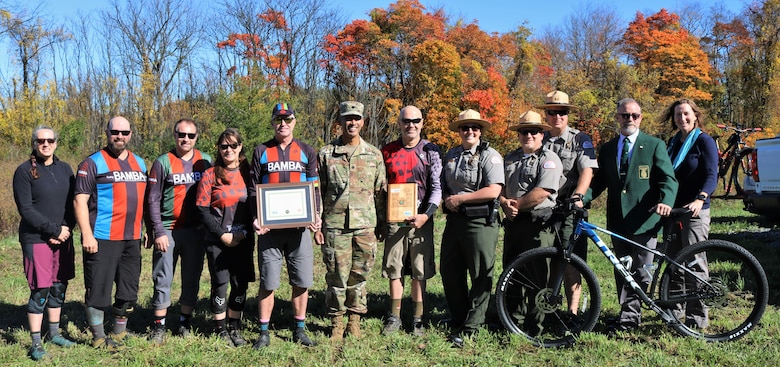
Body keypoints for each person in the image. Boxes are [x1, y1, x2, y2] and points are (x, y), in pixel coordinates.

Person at [584, 98, 678, 333]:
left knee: (642, 270)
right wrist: (580, 198)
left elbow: (668, 179)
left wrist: (665, 201)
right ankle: (628, 317)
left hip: (646, 219)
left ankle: (631, 317)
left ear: (641, 118)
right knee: (622, 269)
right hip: (618, 220)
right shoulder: (607, 148)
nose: (630, 120)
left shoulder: (654, 144)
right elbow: (600, 182)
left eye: (635, 115)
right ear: (617, 117)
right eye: (625, 115)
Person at [250, 103, 320, 349]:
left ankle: (299, 328)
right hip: (269, 230)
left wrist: (316, 215)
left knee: (301, 280)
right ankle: (264, 331)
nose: (283, 124)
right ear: (272, 122)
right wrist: (256, 217)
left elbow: (314, 188)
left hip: (299, 229)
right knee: (268, 282)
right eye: (278, 120)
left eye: (287, 119)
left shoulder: (306, 151)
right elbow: (252, 189)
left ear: (294, 121)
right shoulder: (261, 150)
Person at [75, 116, 148, 350]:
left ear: (130, 134)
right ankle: (98, 336)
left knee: (129, 289)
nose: (120, 136)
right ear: (106, 133)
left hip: (132, 237)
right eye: (115, 131)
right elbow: (79, 201)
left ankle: (118, 332)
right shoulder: (92, 163)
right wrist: (86, 234)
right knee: (98, 289)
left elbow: (144, 199)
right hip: (102, 237)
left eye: (124, 132)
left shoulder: (140, 163)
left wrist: (147, 228)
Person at [316, 101, 386, 341]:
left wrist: (383, 224)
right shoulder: (326, 154)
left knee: (360, 274)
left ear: (363, 122)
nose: (352, 123)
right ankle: (336, 321)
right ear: (340, 122)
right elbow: (319, 192)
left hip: (365, 225)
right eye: (347, 118)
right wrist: (318, 224)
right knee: (336, 275)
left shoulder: (374, 155)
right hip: (335, 226)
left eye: (356, 118)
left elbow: (380, 192)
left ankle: (354, 320)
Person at [440, 109, 504, 348]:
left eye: (474, 127)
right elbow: (444, 184)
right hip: (454, 221)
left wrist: (461, 200)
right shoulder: (452, 155)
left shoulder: (490, 156)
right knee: (450, 271)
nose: (470, 131)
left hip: (480, 222)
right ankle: (459, 317)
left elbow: (494, 190)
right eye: (465, 127)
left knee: (480, 274)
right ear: (459, 130)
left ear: (481, 131)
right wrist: (448, 198)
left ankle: (474, 325)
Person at [13, 126, 77, 360]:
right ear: (34, 144)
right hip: (36, 238)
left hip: (63, 236)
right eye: (40, 141)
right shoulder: (24, 172)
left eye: (50, 140)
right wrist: (52, 230)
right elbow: (26, 209)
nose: (45, 144)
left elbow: (73, 203)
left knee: (59, 286)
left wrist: (66, 229)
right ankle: (36, 342)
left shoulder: (65, 169)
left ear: (56, 143)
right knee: (41, 289)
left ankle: (54, 332)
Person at [146, 118, 212, 344]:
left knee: (191, 278)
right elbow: (152, 199)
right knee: (163, 278)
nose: (185, 139)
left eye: (190, 135)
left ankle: (185, 321)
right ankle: (159, 327)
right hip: (168, 229)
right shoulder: (163, 162)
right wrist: (158, 231)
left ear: (197, 137)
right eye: (181, 135)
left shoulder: (206, 161)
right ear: (174, 135)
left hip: (196, 231)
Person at [379, 105, 442, 337]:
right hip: (395, 220)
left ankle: (417, 318)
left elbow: (437, 187)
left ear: (422, 122)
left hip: (421, 219)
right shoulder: (387, 151)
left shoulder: (431, 150)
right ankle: (394, 316)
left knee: (419, 270)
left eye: (415, 120)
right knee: (394, 269)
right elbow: (380, 188)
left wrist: (427, 214)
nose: (411, 125)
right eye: (406, 121)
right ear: (399, 123)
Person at [537, 90, 598, 315]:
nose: (558, 117)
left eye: (562, 112)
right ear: (547, 114)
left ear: (568, 114)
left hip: (569, 208)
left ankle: (572, 313)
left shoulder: (580, 139)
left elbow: (587, 171)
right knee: (544, 260)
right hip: (543, 208)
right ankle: (547, 310)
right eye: (553, 112)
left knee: (571, 262)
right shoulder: (538, 138)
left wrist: (578, 196)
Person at [195, 128, 256, 347]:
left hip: (244, 238)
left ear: (240, 147)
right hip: (217, 239)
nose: (228, 150)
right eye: (224, 146)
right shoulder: (210, 174)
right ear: (218, 149)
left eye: (233, 145)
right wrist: (222, 235)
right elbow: (202, 209)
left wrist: (244, 232)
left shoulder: (249, 172)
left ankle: (234, 325)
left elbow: (257, 205)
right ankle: (220, 328)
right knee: (220, 283)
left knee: (240, 284)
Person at [661, 98, 718, 329]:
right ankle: (675, 314)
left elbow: (711, 175)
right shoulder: (672, 143)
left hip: (695, 211)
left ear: (695, 115)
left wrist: (701, 198)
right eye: (677, 115)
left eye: (686, 114)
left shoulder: (704, 141)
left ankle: (697, 320)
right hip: (673, 211)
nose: (682, 118)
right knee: (674, 263)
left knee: (695, 264)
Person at [500, 110, 562, 264]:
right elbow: (499, 186)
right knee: (511, 272)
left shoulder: (549, 159)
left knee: (537, 275)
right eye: (524, 131)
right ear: (518, 135)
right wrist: (503, 203)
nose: (528, 135)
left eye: (533, 131)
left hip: (538, 224)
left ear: (541, 134)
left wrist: (515, 206)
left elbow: (543, 191)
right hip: (513, 223)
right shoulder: (510, 158)